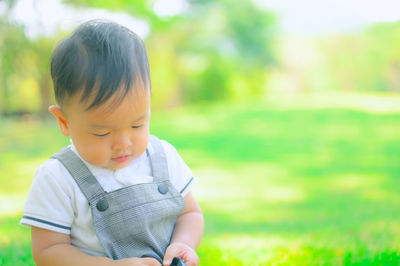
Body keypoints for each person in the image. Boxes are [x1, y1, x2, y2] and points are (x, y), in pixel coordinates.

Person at [20, 20, 204, 266]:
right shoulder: (58, 177)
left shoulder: (162, 156)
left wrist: (183, 244)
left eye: (137, 125)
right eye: (102, 133)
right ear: (64, 121)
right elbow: (48, 251)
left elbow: (190, 213)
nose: (123, 143)